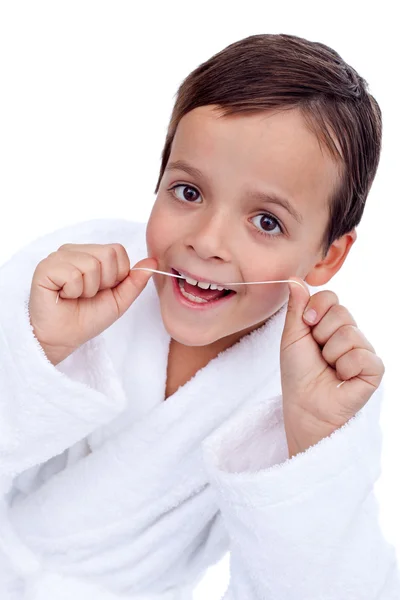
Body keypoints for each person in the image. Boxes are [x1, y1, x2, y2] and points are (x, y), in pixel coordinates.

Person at [0, 33, 398, 599]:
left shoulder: (322, 392)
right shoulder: (70, 280)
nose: (207, 241)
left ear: (327, 255)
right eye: (188, 192)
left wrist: (308, 451)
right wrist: (33, 353)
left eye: (266, 222)